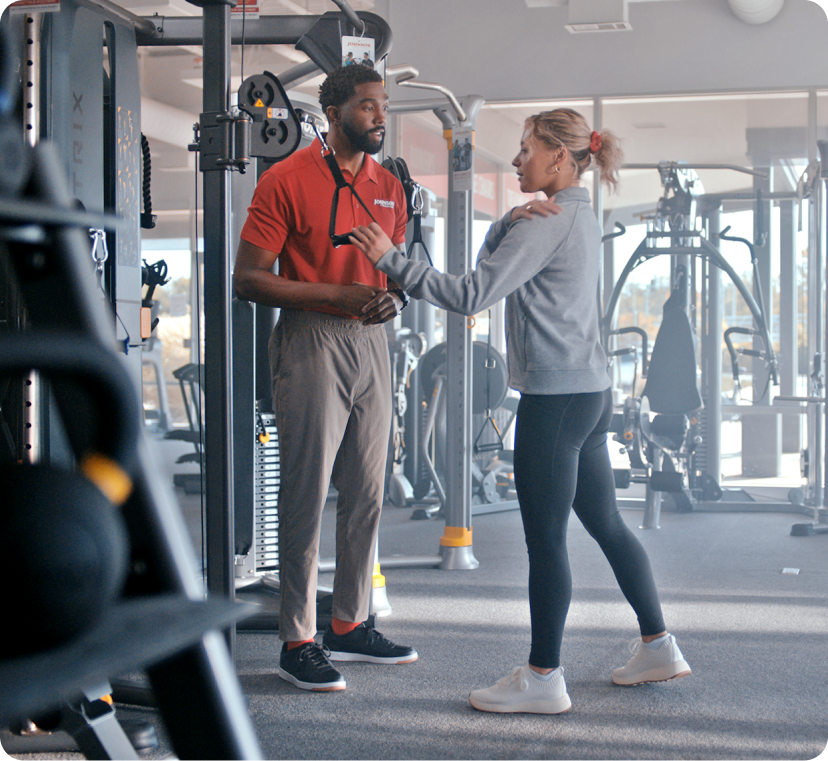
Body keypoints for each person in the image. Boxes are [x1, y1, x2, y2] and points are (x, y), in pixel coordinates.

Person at [349, 108, 691, 714]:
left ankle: (542, 678)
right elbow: (494, 265)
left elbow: (471, 292)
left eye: (526, 148)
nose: (516, 160)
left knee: (546, 542)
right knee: (606, 524)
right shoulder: (576, 215)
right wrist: (506, 218)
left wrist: (389, 258)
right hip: (589, 393)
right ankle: (658, 644)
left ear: (559, 156)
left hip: (556, 400)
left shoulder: (546, 221)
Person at [233, 65, 417, 693]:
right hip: (311, 334)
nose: (378, 116)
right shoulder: (286, 179)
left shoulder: (389, 185)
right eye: (366, 106)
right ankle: (297, 638)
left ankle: (347, 622)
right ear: (333, 110)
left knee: (369, 489)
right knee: (307, 492)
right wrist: (333, 292)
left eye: (382, 106)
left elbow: (393, 271)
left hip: (373, 340)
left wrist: (391, 297)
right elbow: (248, 279)